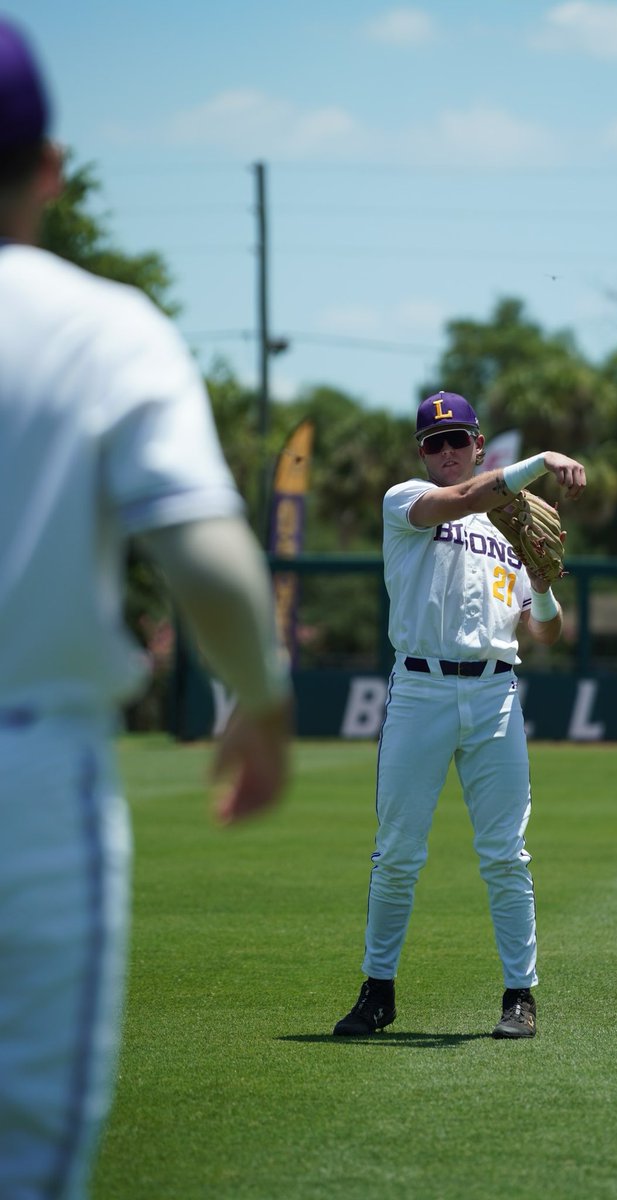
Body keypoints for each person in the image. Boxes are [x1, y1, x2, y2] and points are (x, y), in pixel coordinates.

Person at [0, 21, 292, 1199]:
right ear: (52, 167)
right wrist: (260, 701)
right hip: (28, 780)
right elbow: (212, 564)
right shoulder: (101, 325)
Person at [333, 391, 585, 1040]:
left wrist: (546, 586)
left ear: (477, 444)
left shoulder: (509, 527)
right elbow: (466, 500)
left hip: (496, 693)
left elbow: (546, 634)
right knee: (397, 855)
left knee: (506, 854)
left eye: (458, 440)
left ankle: (519, 996)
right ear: (421, 453)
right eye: (434, 443)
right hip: (421, 691)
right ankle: (378, 989)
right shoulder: (406, 500)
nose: (446, 451)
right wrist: (542, 460)